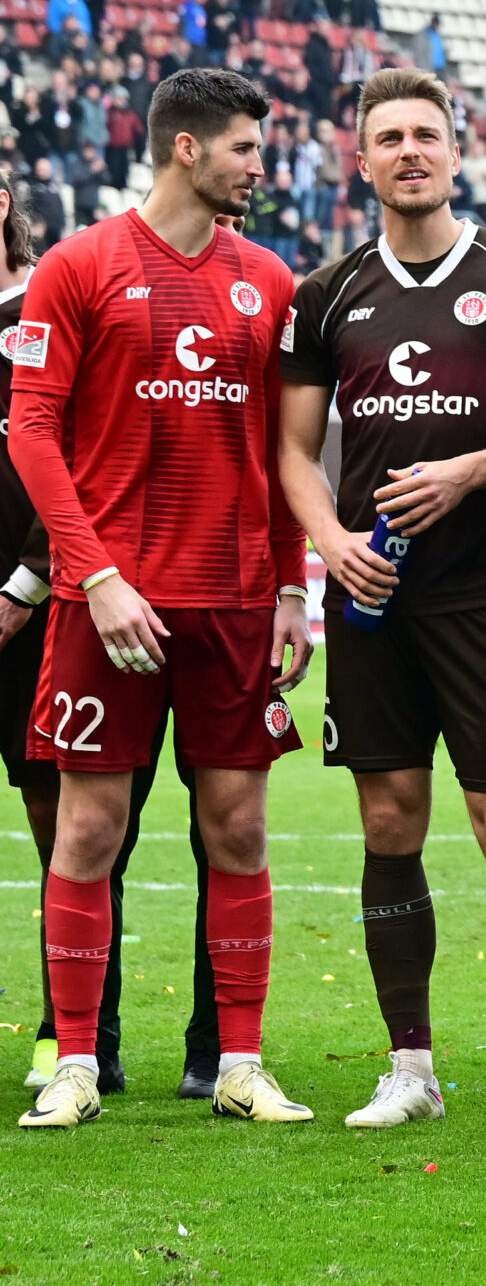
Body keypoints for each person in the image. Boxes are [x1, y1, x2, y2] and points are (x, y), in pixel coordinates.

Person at [274, 69, 486, 1131]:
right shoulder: (327, 293)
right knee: (387, 818)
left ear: (459, 153)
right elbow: (293, 449)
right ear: (359, 161)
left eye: (428, 135)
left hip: (485, 595)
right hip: (370, 598)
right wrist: (329, 539)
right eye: (388, 137)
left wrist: (467, 471)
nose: (410, 150)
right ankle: (411, 1066)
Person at [13, 68, 313, 1130]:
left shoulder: (270, 280)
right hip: (109, 603)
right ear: (187, 149)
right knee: (88, 832)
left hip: (233, 600)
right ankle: (79, 1065)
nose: (260, 166)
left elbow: (286, 451)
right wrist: (92, 577)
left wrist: (290, 586)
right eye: (245, 148)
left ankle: (239, 1064)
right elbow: (31, 433)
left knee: (238, 828)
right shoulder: (79, 264)